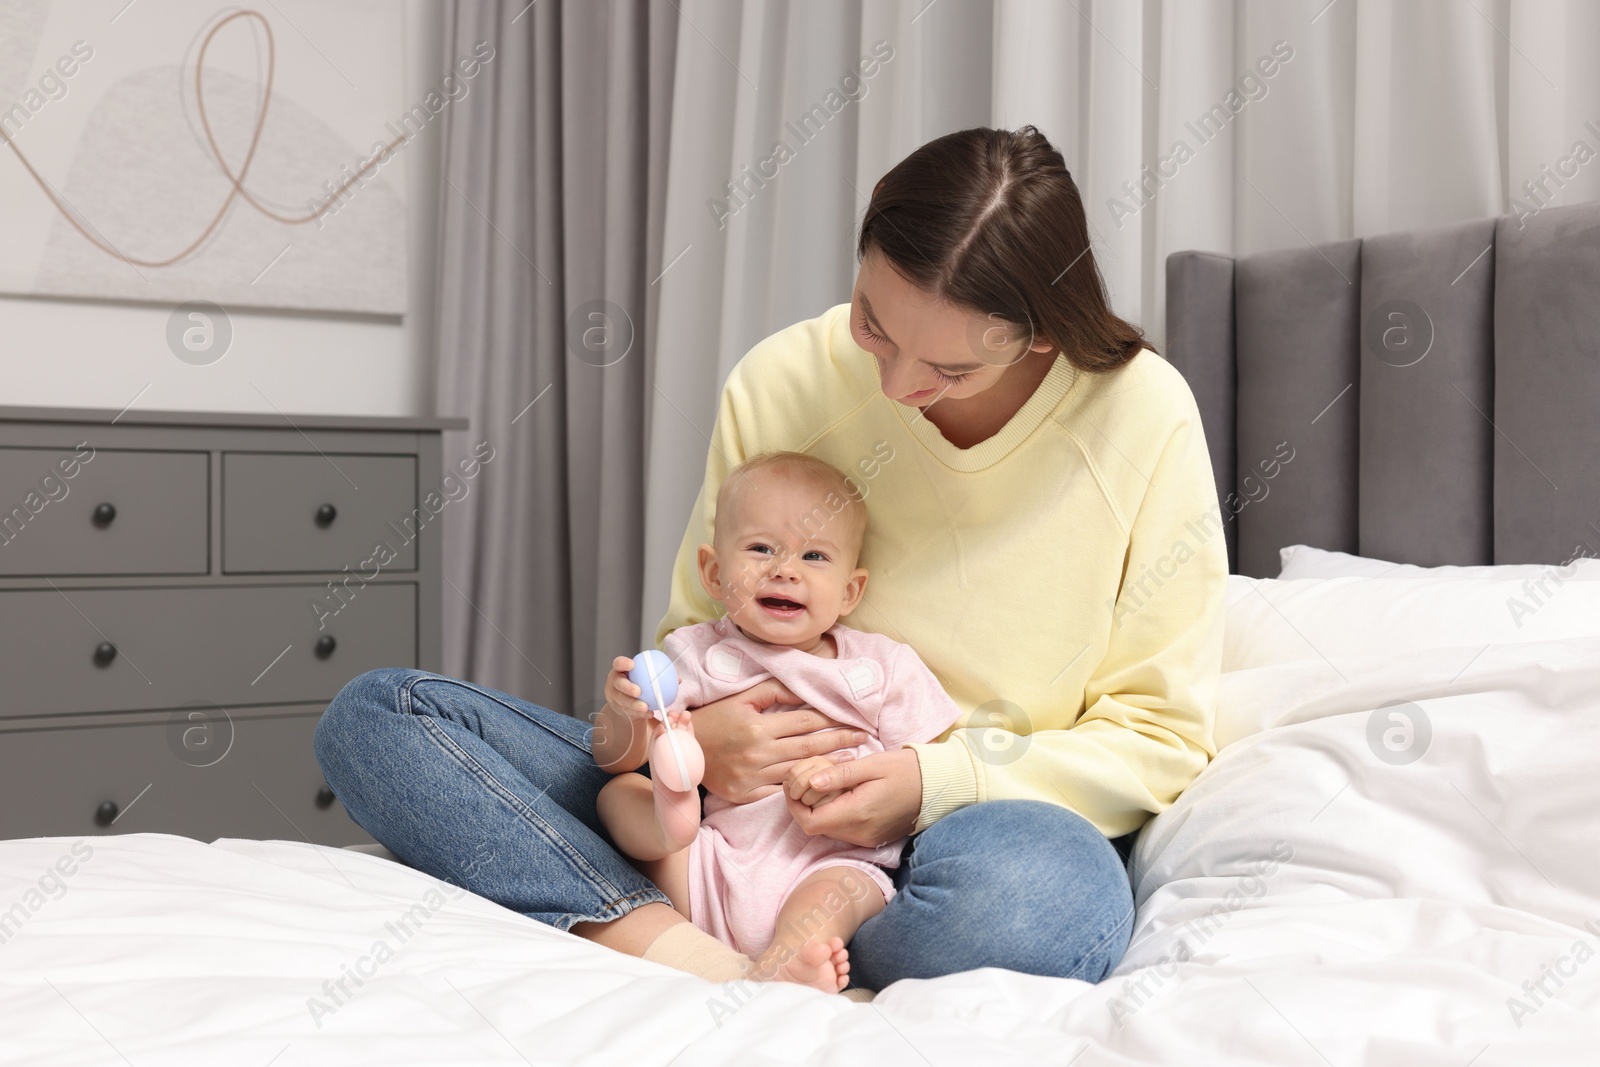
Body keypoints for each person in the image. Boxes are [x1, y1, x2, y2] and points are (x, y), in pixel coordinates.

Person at [313, 124, 1228, 995]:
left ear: (1040, 333)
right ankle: (700, 957)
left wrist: (929, 783)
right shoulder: (781, 376)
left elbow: (1161, 734)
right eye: (876, 324)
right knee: (380, 717)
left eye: (949, 371)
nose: (898, 386)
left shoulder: (1141, 415)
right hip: (722, 800)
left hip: (970, 821)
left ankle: (794, 936)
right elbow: (694, 631)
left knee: (1041, 907)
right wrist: (698, 744)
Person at [595, 451, 963, 993]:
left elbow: (925, 765)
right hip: (708, 860)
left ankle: (789, 959)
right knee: (617, 791)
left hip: (828, 858)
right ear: (715, 574)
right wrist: (624, 714)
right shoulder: (697, 655)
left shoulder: (879, 668)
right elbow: (614, 757)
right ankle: (668, 829)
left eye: (814, 556)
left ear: (850, 591)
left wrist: (847, 785)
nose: (784, 568)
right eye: (762, 548)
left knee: (840, 892)